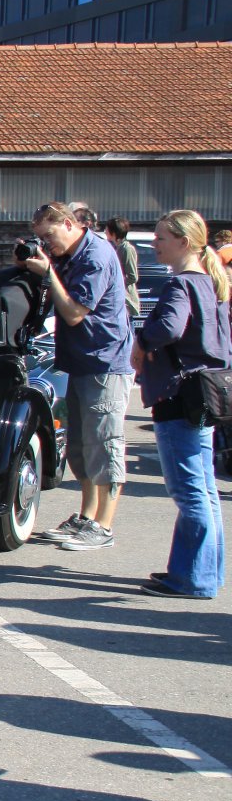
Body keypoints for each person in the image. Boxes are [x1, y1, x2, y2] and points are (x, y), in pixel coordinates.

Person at [18, 201, 133, 552]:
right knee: (82, 447)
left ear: (69, 224)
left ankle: (104, 526)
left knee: (105, 444)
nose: (47, 244)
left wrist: (48, 273)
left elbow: (74, 313)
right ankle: (87, 517)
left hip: (105, 365)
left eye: (49, 235)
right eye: (41, 238)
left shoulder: (95, 256)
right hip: (81, 363)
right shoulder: (70, 254)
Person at [129, 210, 229, 599]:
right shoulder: (212, 282)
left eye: (161, 238)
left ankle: (193, 579)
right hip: (203, 392)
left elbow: (169, 327)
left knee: (190, 491)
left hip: (178, 394)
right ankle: (200, 572)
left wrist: (142, 342)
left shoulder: (182, 284)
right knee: (203, 489)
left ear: (184, 242)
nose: (155, 244)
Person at [102, 216, 141, 319]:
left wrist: (116, 283)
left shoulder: (127, 249)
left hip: (126, 301)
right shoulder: (115, 248)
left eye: (107, 229)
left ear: (114, 232)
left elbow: (132, 277)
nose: (105, 232)